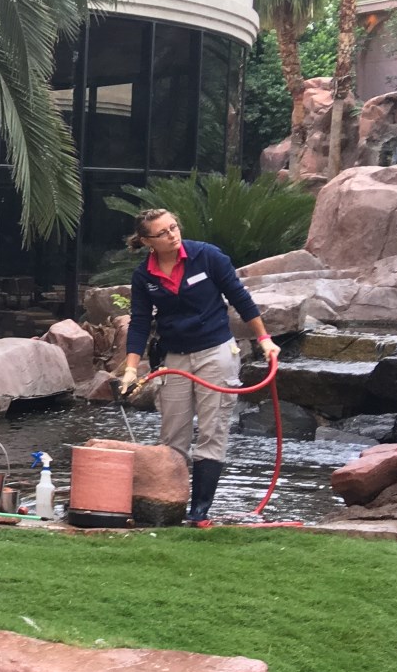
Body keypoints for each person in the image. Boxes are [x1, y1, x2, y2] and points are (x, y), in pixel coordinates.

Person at [118, 209, 279, 524]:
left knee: (212, 430)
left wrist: (265, 339)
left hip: (215, 352)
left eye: (173, 227)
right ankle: (170, 507)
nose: (172, 235)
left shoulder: (207, 256)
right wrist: (131, 370)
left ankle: (199, 511)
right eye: (162, 233)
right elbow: (139, 322)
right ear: (147, 241)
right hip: (175, 358)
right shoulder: (144, 276)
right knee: (172, 434)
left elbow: (240, 298)